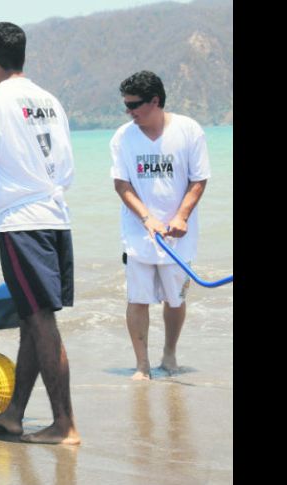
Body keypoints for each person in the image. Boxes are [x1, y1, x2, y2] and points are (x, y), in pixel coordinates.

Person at [0, 22, 80, 445]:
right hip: (57, 218)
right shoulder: (50, 101)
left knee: (42, 323)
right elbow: (53, 168)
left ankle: (64, 424)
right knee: (31, 319)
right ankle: (14, 415)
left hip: (23, 226)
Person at [110, 70, 210, 380]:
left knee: (175, 298)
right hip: (138, 234)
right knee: (137, 298)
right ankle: (142, 365)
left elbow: (198, 180)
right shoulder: (123, 137)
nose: (129, 112)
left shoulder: (189, 131)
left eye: (135, 105)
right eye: (126, 105)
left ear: (155, 101)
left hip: (179, 235)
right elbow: (122, 184)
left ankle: (169, 354)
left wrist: (180, 216)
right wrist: (147, 219)